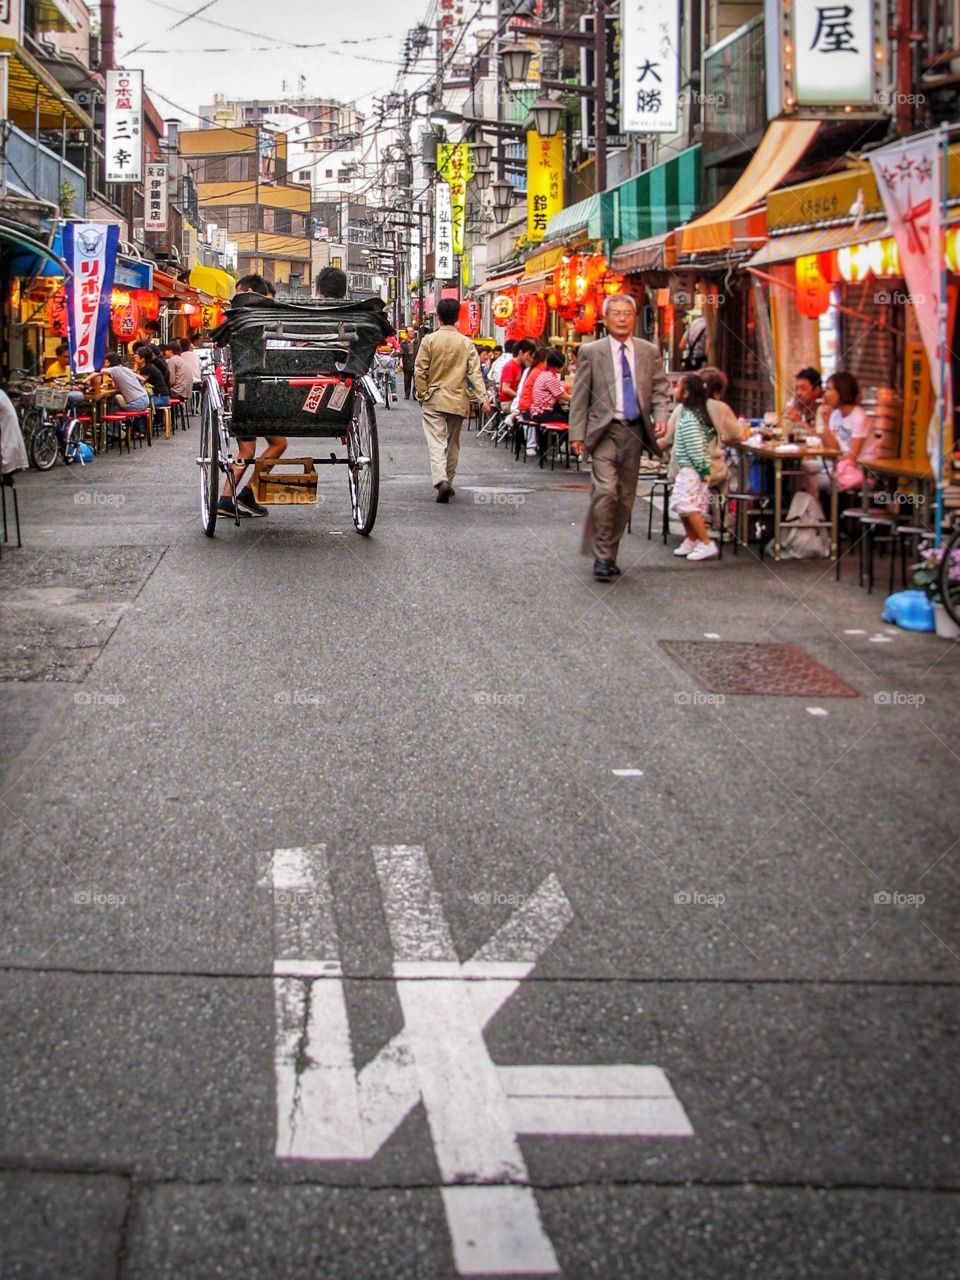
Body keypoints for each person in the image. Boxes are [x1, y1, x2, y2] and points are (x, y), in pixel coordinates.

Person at [568, 294, 670, 580]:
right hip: (603, 432)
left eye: (627, 313)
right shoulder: (592, 351)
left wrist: (661, 415)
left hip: (635, 432)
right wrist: (577, 433)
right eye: (616, 313)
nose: (622, 318)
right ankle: (602, 557)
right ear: (605, 318)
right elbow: (580, 396)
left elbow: (661, 389)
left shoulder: (648, 352)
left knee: (625, 498)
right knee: (605, 491)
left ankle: (609, 552)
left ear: (635, 318)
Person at [218, 274, 285, 519]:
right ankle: (236, 495)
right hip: (266, 395)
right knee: (265, 446)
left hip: (246, 393)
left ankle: (238, 495)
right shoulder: (272, 323)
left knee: (252, 449)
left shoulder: (240, 322)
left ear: (246, 291)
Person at [414, 295, 489, 502]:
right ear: (457, 317)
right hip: (458, 398)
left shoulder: (429, 340)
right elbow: (475, 373)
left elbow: (420, 370)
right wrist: (483, 398)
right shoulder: (466, 343)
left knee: (436, 441)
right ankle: (449, 481)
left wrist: (422, 393)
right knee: (453, 443)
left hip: (434, 396)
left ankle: (441, 480)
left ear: (438, 317)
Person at [660, 365, 746, 539]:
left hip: (677, 470)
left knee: (690, 496)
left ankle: (698, 529)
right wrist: (720, 440)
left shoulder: (681, 408)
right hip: (702, 471)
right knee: (725, 474)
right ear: (717, 390)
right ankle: (718, 522)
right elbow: (738, 435)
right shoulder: (719, 407)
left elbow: (667, 439)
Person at [668, 373, 719, 561]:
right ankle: (692, 539)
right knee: (683, 506)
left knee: (689, 507)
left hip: (692, 470)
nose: (675, 390)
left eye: (678, 386)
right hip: (688, 469)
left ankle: (706, 542)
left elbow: (696, 448)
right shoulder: (692, 415)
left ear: (687, 393)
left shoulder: (689, 419)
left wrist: (704, 470)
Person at [400, 333, 417, 399]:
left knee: (416, 380)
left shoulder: (417, 342)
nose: (411, 333)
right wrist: (401, 362)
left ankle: (415, 394)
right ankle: (407, 394)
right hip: (407, 362)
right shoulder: (403, 343)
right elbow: (401, 353)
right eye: (409, 332)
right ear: (407, 333)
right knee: (407, 380)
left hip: (415, 362)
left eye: (412, 331)